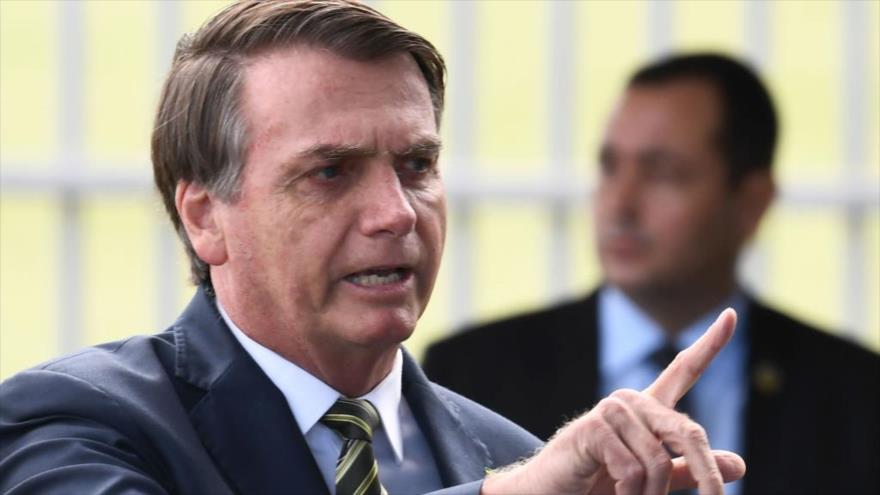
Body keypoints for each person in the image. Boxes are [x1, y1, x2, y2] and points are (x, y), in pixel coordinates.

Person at [0, 3, 747, 494]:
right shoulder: (76, 421)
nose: (395, 213)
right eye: (330, 172)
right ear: (205, 218)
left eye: (417, 165)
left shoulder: (508, 453)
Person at [422, 53, 880, 494]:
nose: (619, 205)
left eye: (663, 173)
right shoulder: (470, 375)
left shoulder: (857, 394)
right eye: (609, 167)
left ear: (751, 202)